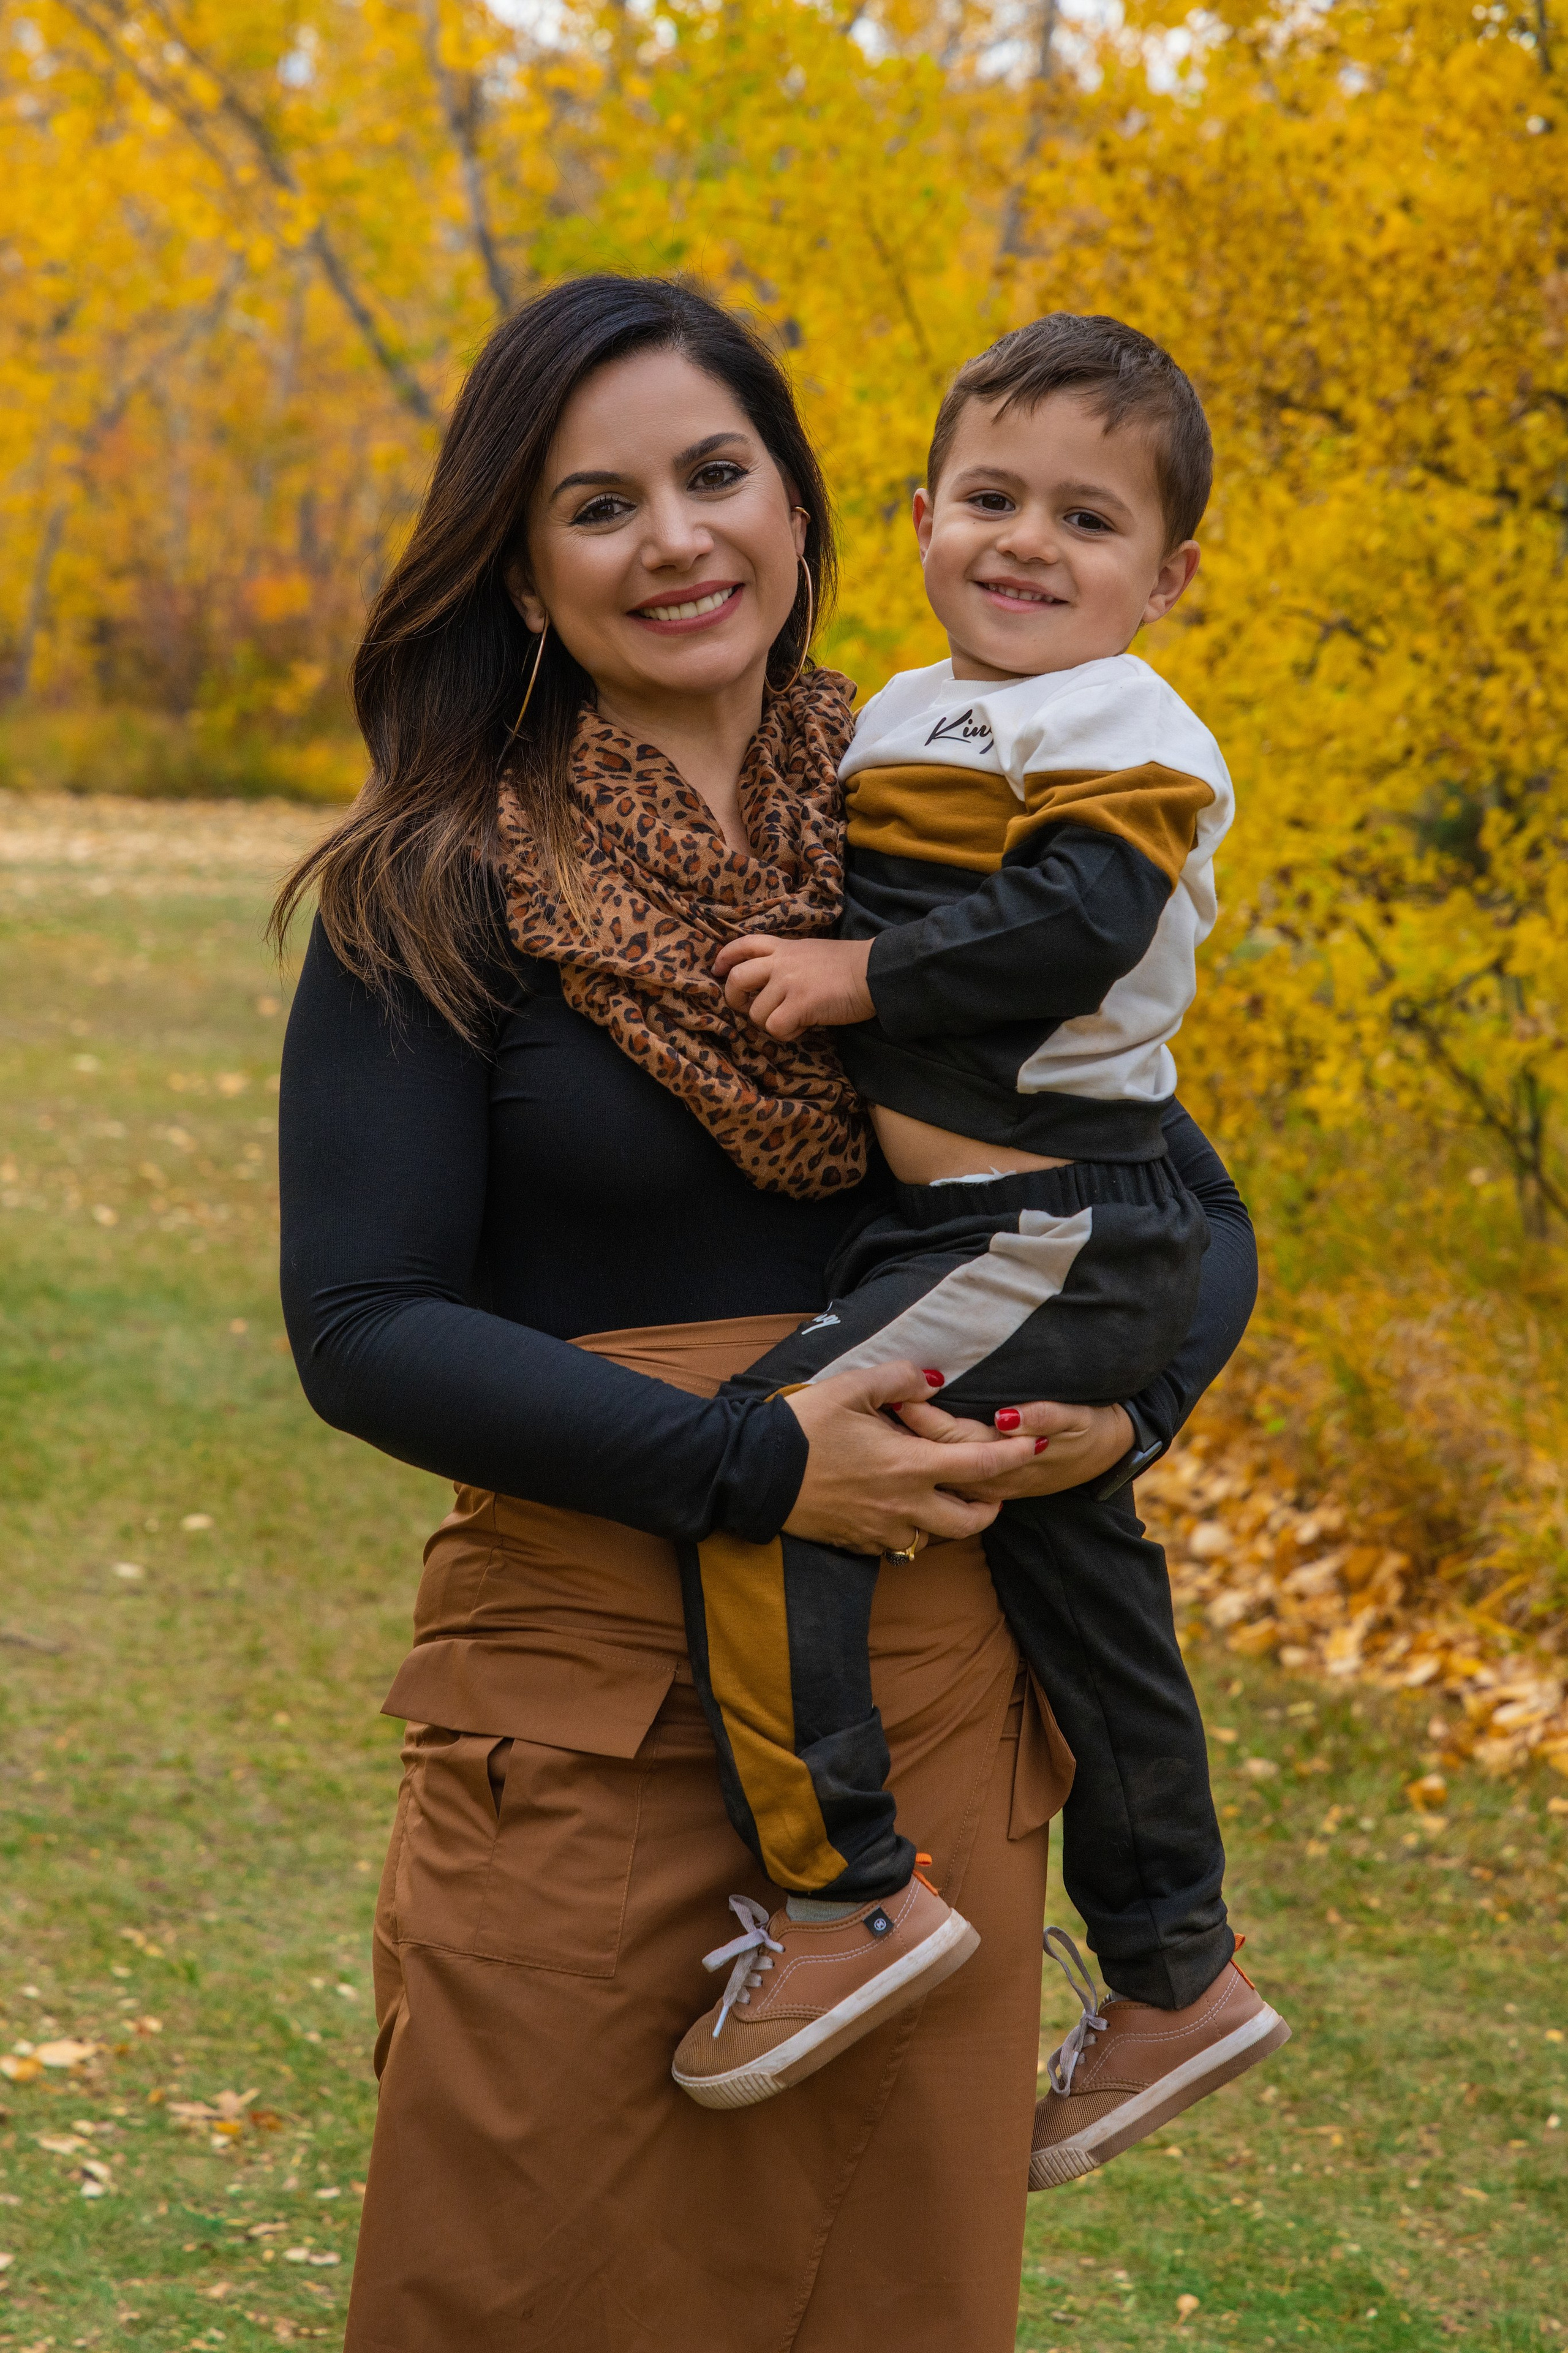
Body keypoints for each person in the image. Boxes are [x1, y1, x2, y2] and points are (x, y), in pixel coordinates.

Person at [275, 273, 1259, 2352]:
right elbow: (361, 1322)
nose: (678, 539)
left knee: (881, 2303)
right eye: (599, 504)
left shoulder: (965, 821)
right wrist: (756, 1459)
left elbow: (1167, 1188)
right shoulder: (435, 882)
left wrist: (1127, 1414)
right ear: (524, 572)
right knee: (516, 2286)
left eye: (717, 475)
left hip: (937, 1709)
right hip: (600, 1697)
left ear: (806, 508)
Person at [669, 315, 1289, 2185]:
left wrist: (861, 975)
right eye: (994, 499)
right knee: (1085, 1590)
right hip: (995, 1220)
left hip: (1051, 1213)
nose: (1028, 542)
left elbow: (1077, 923)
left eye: (1087, 520)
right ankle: (1179, 1965)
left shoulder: (1132, 726)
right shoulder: (896, 713)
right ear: (922, 513)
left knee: (779, 1462)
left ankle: (844, 1886)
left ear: (1167, 577)